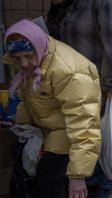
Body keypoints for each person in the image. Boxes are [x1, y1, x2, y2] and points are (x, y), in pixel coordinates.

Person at [3, 19, 101, 198]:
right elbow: (27, 99)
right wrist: (25, 131)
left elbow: (84, 122)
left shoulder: (68, 71)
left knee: (48, 176)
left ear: (39, 47)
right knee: (36, 174)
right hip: (48, 127)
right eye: (18, 58)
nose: (24, 64)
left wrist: (78, 175)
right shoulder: (30, 64)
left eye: (28, 56)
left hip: (68, 128)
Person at [54, 0, 112, 196]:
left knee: (99, 143)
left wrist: (111, 85)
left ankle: (100, 189)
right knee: (87, 141)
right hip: (75, 88)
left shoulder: (103, 3)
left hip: (99, 87)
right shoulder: (72, 6)